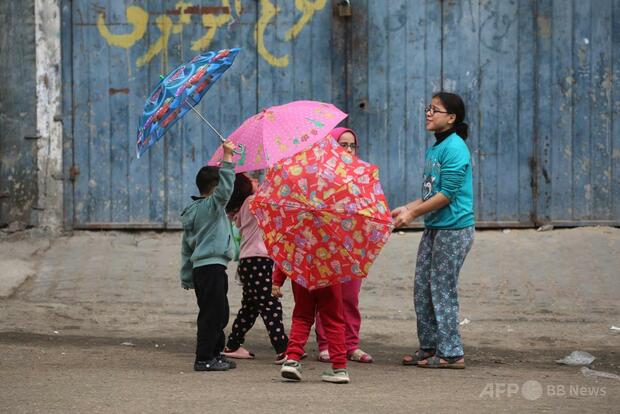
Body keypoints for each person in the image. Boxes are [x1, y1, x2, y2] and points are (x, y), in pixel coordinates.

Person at [393, 92, 475, 369]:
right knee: (422, 288)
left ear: (451, 118)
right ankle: (429, 347)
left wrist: (413, 214)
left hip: (454, 229)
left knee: (442, 289)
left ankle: (452, 353)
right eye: (428, 108)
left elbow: (447, 195)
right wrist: (406, 207)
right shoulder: (436, 148)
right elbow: (432, 194)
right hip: (435, 227)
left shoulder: (455, 148)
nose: (428, 113)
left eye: (435, 110)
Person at [315, 127, 373, 364]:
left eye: (352, 145)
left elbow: (372, 204)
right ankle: (327, 343)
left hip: (354, 243)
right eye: (343, 144)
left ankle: (350, 344)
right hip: (327, 244)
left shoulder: (363, 173)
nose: (348, 149)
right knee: (329, 297)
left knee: (350, 297)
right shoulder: (322, 174)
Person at [180, 140, 237, 372]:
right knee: (212, 315)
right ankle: (204, 358)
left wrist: (186, 275)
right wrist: (228, 157)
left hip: (203, 269)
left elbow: (186, 248)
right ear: (214, 188)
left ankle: (215, 354)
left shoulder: (196, 210)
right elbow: (225, 190)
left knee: (219, 312)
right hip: (211, 268)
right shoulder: (212, 206)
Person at [222, 172, 289, 363]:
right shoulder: (254, 200)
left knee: (250, 307)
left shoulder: (246, 205)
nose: (256, 180)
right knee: (270, 304)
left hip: (248, 261)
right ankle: (283, 349)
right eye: (251, 179)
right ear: (244, 187)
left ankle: (232, 345)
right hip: (259, 260)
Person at [272, 266, 350, 384]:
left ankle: (292, 360)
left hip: (302, 275)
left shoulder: (299, 245)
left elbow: (286, 255)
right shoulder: (336, 246)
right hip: (330, 277)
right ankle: (339, 367)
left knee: (302, 317)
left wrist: (277, 281)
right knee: (334, 321)